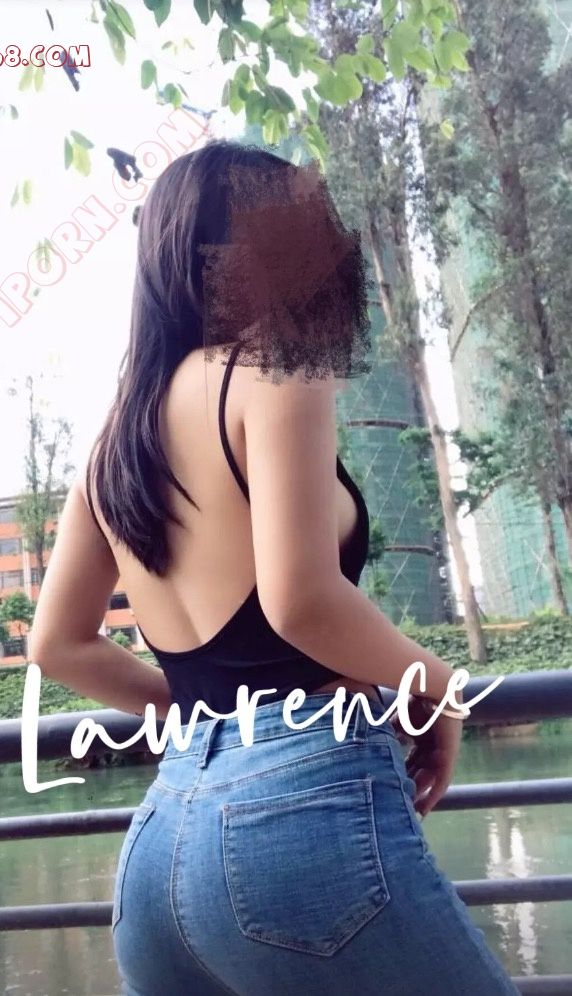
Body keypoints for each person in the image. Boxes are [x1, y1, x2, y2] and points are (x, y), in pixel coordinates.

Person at [30, 139, 519, 995]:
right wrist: (438, 687)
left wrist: (202, 718)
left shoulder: (115, 441)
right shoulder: (275, 369)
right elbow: (300, 602)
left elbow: (56, 646)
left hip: (163, 847)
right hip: (297, 814)